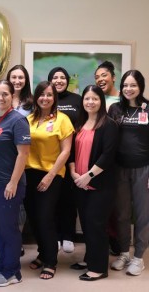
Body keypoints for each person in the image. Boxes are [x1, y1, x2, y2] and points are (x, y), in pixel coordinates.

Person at [0, 80, 30, 287]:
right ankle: (2, 264)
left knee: (9, 228)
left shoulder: (18, 121)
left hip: (8, 184)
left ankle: (13, 271)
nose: (0, 98)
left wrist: (13, 182)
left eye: (5, 94)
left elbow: (23, 154)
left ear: (12, 96)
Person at [24, 81, 74, 280]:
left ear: (55, 98)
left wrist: (50, 175)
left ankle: (51, 260)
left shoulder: (63, 120)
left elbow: (66, 151)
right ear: (36, 97)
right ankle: (42, 253)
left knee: (45, 217)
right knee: (34, 217)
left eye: (49, 95)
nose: (45, 98)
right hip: (29, 173)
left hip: (51, 174)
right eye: (41, 94)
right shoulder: (29, 119)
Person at [69, 85, 118, 281]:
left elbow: (108, 155)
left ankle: (98, 268)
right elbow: (72, 151)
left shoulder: (109, 125)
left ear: (101, 101)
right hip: (79, 182)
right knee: (87, 224)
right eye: (87, 98)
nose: (90, 102)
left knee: (96, 224)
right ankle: (90, 258)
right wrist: (73, 173)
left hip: (100, 184)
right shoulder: (80, 124)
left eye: (95, 99)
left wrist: (88, 176)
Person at [108, 70, 149, 276]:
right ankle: (124, 252)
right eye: (125, 85)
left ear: (140, 86)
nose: (128, 89)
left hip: (143, 169)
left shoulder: (148, 108)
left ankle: (139, 256)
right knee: (122, 214)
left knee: (142, 214)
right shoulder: (115, 109)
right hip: (119, 169)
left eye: (133, 85)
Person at [48, 67, 81, 253]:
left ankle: (68, 235)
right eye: (55, 77)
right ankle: (53, 236)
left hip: (71, 155)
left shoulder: (77, 100)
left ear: (67, 80)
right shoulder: (46, 98)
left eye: (62, 77)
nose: (59, 80)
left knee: (69, 197)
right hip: (49, 157)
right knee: (51, 198)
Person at [6, 64, 33, 256]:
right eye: (13, 77)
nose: (17, 81)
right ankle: (6, 237)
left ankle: (18, 239)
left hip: (24, 157)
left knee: (20, 201)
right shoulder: (0, 98)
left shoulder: (31, 104)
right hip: (3, 158)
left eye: (21, 77)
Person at [95, 60, 121, 256]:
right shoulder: (95, 102)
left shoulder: (122, 101)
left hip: (120, 161)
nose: (100, 79)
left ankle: (118, 242)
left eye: (103, 75)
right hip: (100, 161)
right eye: (96, 77)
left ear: (113, 77)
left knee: (117, 206)